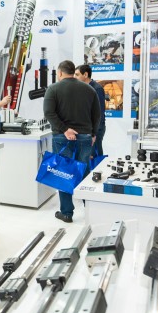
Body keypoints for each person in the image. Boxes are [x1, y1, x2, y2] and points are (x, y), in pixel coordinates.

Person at [44, 60, 101, 223]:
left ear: (60, 73)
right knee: (84, 172)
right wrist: (93, 134)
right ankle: (91, 209)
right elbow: (97, 115)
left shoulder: (53, 89)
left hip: (62, 138)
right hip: (85, 137)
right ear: (72, 71)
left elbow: (49, 113)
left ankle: (67, 213)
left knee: (64, 173)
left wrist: (64, 129)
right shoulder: (89, 89)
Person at [75, 64, 106, 156]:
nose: (74, 77)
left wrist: (94, 133)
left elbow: (99, 113)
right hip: (85, 129)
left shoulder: (97, 89)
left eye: (77, 74)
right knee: (87, 155)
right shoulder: (81, 88)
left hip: (95, 129)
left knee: (95, 154)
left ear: (85, 75)